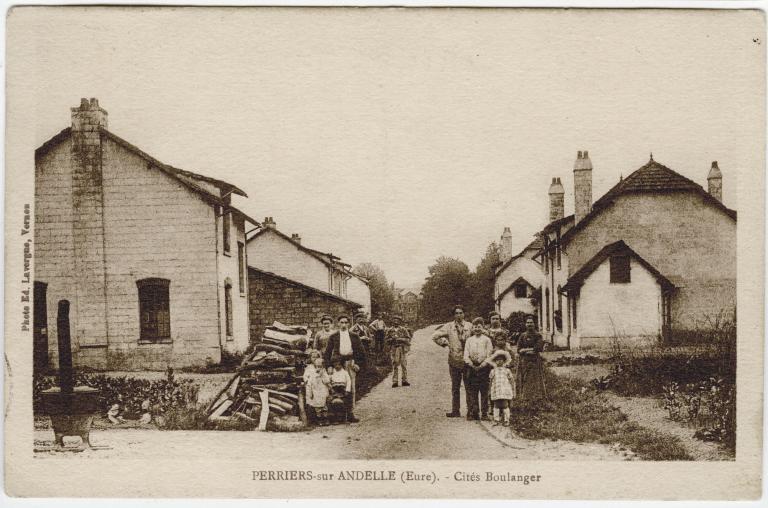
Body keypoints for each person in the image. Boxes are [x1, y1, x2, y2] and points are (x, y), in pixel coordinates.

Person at [323, 314, 367, 423]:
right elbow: (327, 353)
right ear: (338, 324)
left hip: (350, 363)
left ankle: (350, 413)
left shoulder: (354, 336)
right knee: (336, 387)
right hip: (338, 365)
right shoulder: (333, 336)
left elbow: (361, 353)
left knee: (350, 388)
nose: (343, 324)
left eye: (345, 322)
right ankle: (336, 415)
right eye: (341, 322)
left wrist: (358, 364)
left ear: (349, 324)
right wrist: (328, 366)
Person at [432, 306, 473, 418]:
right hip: (454, 360)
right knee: (455, 387)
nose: (459, 315)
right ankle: (456, 410)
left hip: (467, 360)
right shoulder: (449, 326)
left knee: (469, 386)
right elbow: (435, 336)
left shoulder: (469, 326)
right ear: (454, 315)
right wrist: (444, 343)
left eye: (461, 313)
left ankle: (471, 411)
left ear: (464, 314)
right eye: (456, 313)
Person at [463, 317, 494, 421]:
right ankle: (475, 412)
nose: (477, 329)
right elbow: (466, 355)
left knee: (484, 391)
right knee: (473, 391)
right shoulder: (469, 340)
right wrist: (471, 364)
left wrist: (483, 364)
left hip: (484, 368)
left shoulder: (487, 340)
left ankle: (484, 413)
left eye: (479, 327)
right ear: (472, 328)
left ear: (483, 327)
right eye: (475, 327)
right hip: (472, 368)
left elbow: (489, 354)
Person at [516, 315, 547, 401]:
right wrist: (530, 349)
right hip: (524, 361)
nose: (529, 324)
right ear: (525, 324)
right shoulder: (522, 336)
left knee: (535, 378)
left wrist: (525, 350)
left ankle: (537, 398)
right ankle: (525, 398)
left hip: (535, 360)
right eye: (528, 322)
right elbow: (519, 349)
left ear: (534, 324)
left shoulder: (538, 335)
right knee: (524, 378)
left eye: (531, 322)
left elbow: (538, 348)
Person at [483, 350, 515, 426]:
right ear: (495, 361)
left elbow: (511, 380)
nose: (499, 362)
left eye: (501, 360)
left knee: (505, 405)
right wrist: (489, 390)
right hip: (496, 389)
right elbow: (490, 381)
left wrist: (513, 390)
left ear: (504, 361)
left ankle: (506, 420)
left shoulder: (507, 370)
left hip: (505, 389)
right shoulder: (493, 371)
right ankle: (496, 419)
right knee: (496, 405)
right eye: (497, 360)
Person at [303, 357, 331, 426]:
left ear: (323, 368)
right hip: (316, 393)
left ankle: (325, 418)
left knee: (324, 406)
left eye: (320, 367)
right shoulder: (313, 375)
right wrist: (310, 393)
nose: (318, 369)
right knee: (317, 407)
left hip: (323, 392)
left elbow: (327, 381)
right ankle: (319, 419)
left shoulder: (324, 374)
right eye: (317, 367)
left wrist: (323, 375)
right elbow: (310, 383)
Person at [386, 315, 412, 388]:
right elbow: (386, 340)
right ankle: (395, 381)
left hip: (402, 348)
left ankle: (404, 380)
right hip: (394, 349)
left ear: (400, 322)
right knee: (395, 364)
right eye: (394, 320)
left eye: (397, 321)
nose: (396, 322)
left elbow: (408, 339)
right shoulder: (389, 330)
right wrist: (392, 339)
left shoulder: (403, 329)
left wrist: (401, 339)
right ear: (392, 322)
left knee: (404, 364)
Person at [328, 356, 353, 424]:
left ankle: (345, 418)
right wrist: (331, 388)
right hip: (334, 389)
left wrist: (347, 390)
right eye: (335, 364)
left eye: (339, 364)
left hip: (343, 389)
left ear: (342, 364)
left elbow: (349, 381)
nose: (337, 366)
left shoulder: (345, 372)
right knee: (331, 401)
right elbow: (328, 381)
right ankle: (334, 419)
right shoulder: (332, 372)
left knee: (346, 401)